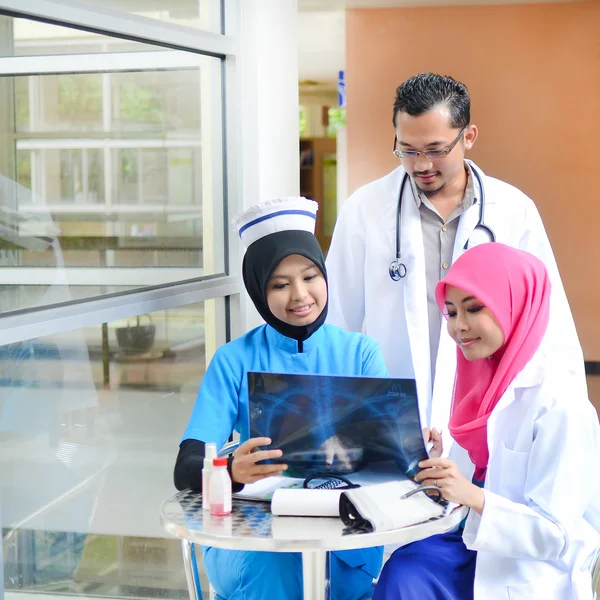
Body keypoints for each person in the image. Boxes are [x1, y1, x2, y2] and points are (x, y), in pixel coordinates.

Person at [325, 73, 585, 465]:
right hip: (390, 421)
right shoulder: (365, 210)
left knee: (487, 516)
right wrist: (332, 421)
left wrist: (571, 428)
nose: (421, 164)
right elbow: (336, 326)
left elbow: (551, 326)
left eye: (435, 149)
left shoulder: (513, 211)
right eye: (407, 150)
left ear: (469, 136)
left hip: (494, 418)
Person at [173, 197, 387, 600]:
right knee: (277, 566)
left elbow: (387, 457)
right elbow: (187, 467)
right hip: (255, 540)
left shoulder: (361, 353)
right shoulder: (233, 360)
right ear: (258, 289)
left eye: (310, 276)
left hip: (341, 538)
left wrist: (408, 441)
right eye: (279, 284)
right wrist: (232, 469)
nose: (300, 295)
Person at [373, 243, 600, 600]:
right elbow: (477, 479)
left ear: (515, 305)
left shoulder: (561, 405)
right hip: (474, 544)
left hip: (527, 569)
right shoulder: (485, 384)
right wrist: (434, 462)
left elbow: (556, 534)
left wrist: (472, 495)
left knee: (409, 575)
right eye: (450, 312)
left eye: (475, 308)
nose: (459, 327)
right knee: (405, 569)